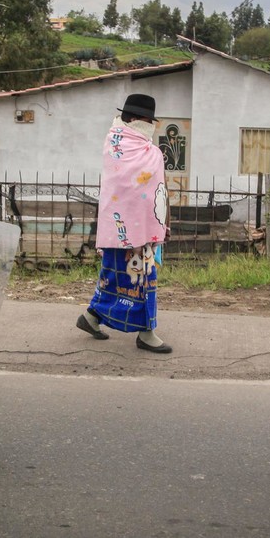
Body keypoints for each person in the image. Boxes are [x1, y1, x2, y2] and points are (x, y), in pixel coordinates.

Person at [76, 93, 172, 353]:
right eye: (148, 120)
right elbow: (158, 190)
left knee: (112, 277)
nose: (151, 126)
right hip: (140, 234)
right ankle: (146, 332)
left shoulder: (112, 143)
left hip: (115, 229)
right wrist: (162, 224)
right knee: (143, 279)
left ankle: (91, 317)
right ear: (139, 120)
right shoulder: (148, 152)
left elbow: (149, 190)